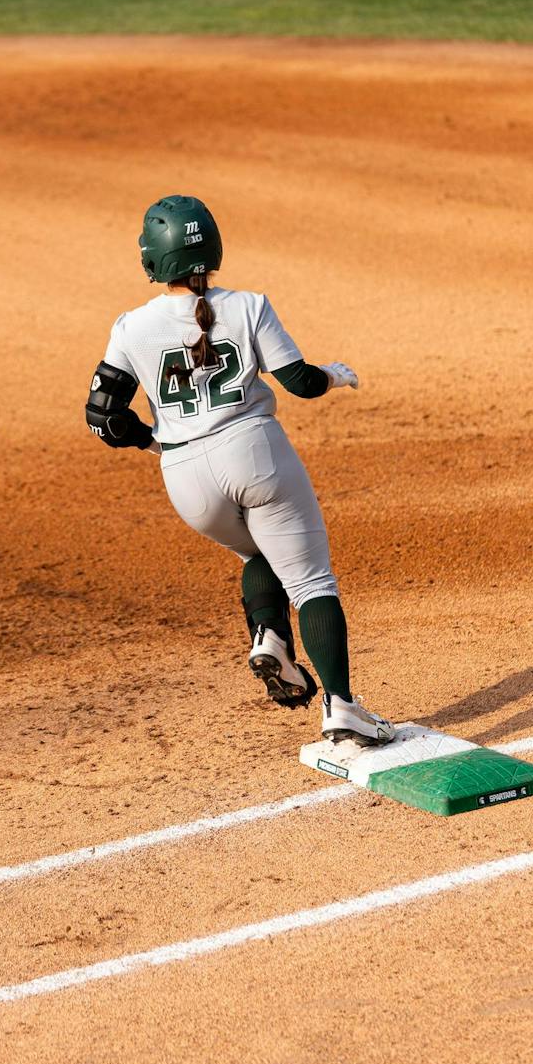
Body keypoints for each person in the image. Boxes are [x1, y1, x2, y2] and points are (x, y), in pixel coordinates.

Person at [85, 195, 395, 747]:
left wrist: (153, 442)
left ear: (152, 258)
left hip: (185, 479)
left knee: (258, 553)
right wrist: (335, 374)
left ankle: (271, 638)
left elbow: (102, 417)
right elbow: (298, 381)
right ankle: (342, 706)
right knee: (311, 580)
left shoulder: (131, 327)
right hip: (254, 453)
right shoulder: (249, 306)